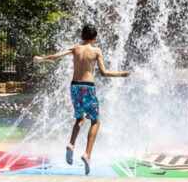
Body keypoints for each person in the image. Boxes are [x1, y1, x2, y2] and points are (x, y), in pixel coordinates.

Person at [33, 24, 131, 175]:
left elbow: (54, 57)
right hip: (88, 87)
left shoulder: (75, 48)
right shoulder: (96, 50)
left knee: (79, 119)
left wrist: (40, 59)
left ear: (81, 37)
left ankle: (71, 144)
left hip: (74, 87)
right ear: (95, 38)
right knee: (95, 121)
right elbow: (103, 73)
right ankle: (87, 154)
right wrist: (121, 75)